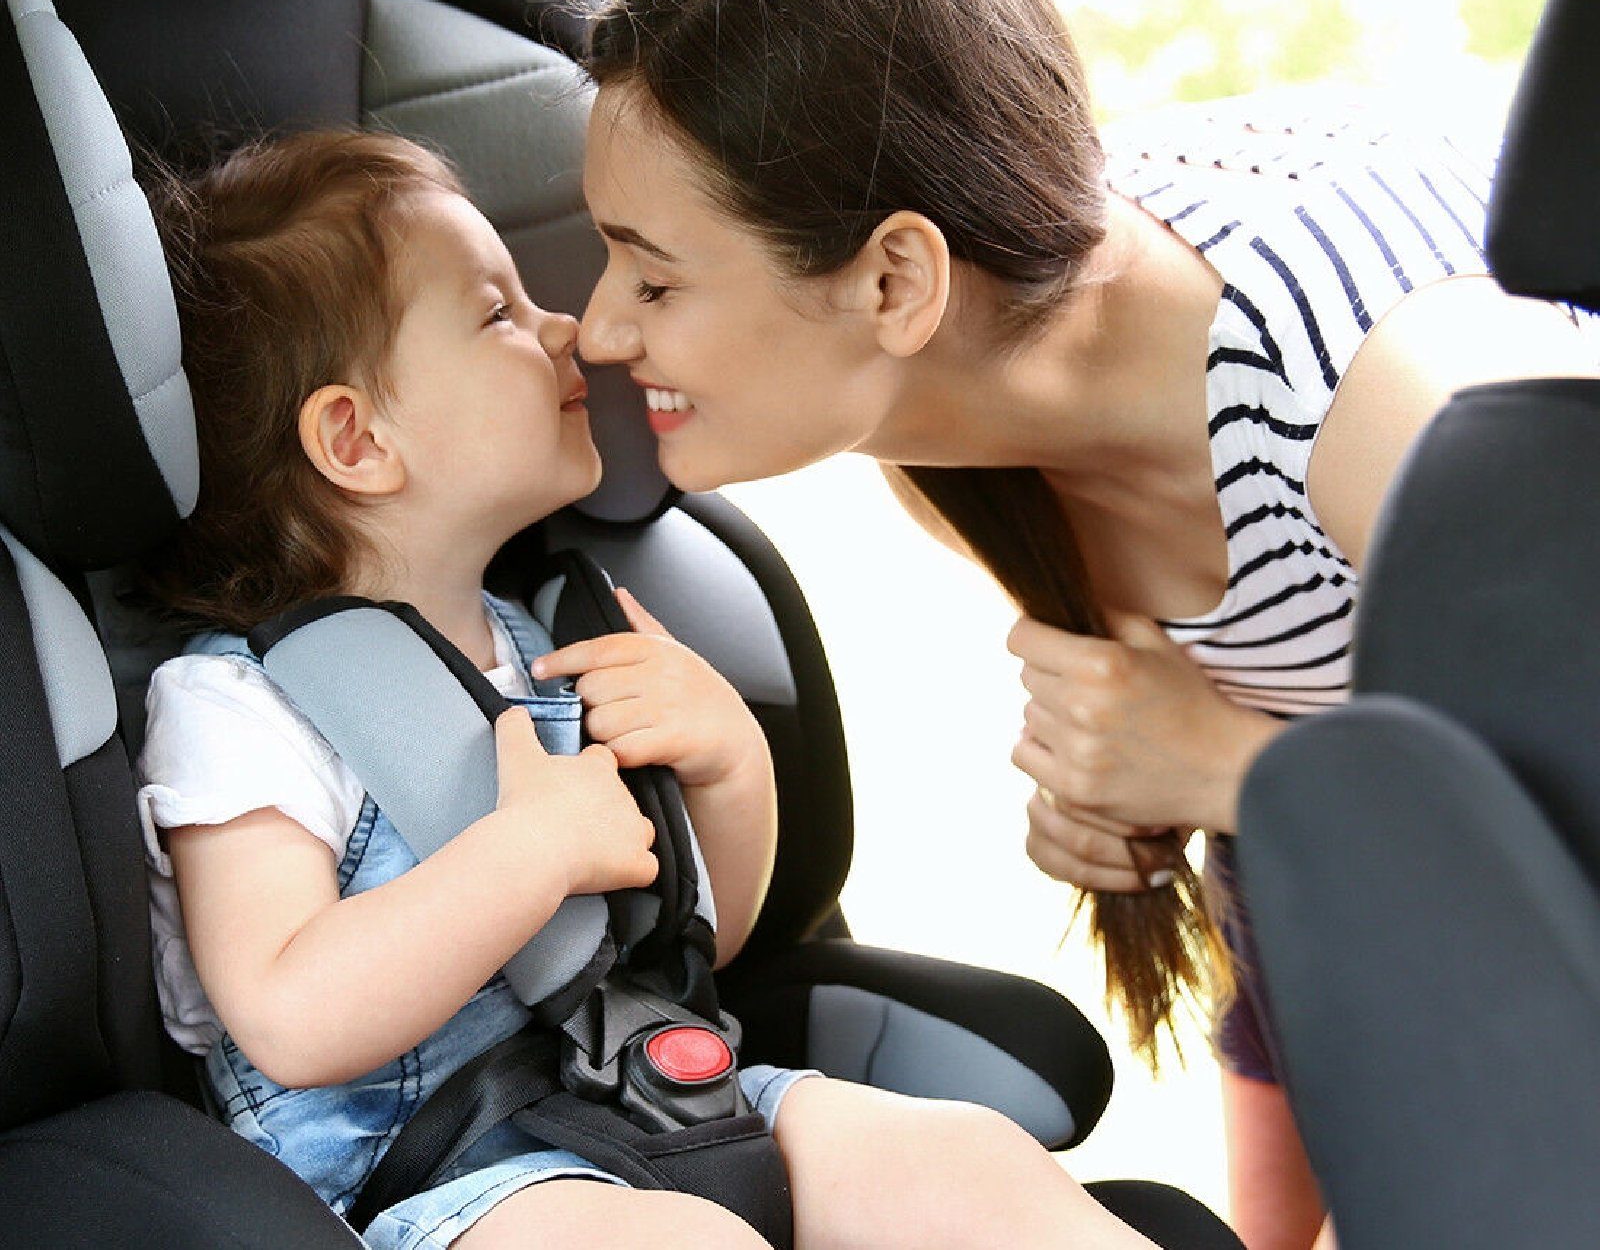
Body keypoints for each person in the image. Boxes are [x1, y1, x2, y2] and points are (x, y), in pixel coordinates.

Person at [567, 0, 1600, 1250]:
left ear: (894, 283)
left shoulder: (1369, 398)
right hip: (1370, 909)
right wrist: (1168, 776)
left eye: (652, 275)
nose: (595, 329)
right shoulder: (951, 415)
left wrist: (1232, 765)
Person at [132, 128, 1160, 1250]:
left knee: (963, 1163)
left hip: (654, 1104)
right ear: (357, 439)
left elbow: (693, 942)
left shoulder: (561, 637)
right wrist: (528, 852)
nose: (565, 327)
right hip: (431, 1190)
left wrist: (728, 762)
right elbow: (289, 1015)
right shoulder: (241, 709)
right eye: (497, 314)